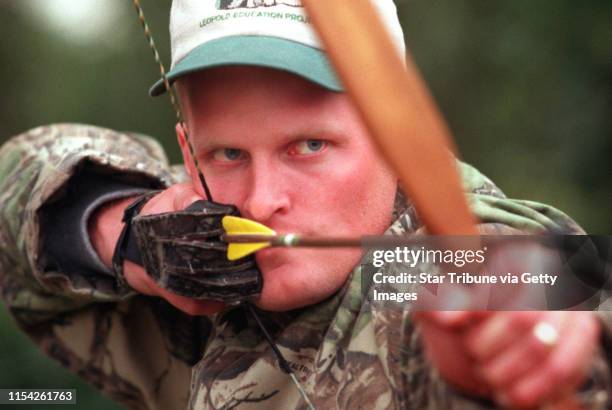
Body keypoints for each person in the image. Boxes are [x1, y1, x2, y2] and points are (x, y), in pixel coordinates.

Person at [0, 1, 610, 408]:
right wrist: (127, 237)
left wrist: (511, 351)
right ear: (188, 152)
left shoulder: (431, 260)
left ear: (400, 136)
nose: (263, 201)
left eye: (310, 145)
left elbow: (543, 278)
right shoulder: (203, 281)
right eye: (229, 154)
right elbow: (17, 180)